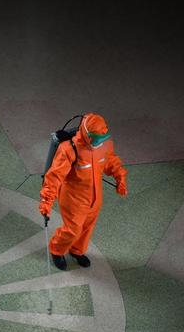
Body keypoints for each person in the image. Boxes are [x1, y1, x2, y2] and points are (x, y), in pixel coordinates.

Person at [39, 113, 128, 270]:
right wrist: (47, 200)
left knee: (87, 227)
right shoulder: (69, 150)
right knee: (73, 229)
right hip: (74, 199)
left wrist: (120, 177)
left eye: (101, 139)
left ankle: (77, 251)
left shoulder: (103, 145)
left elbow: (110, 161)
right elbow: (54, 177)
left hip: (95, 197)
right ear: (86, 134)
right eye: (95, 140)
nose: (98, 143)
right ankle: (57, 250)